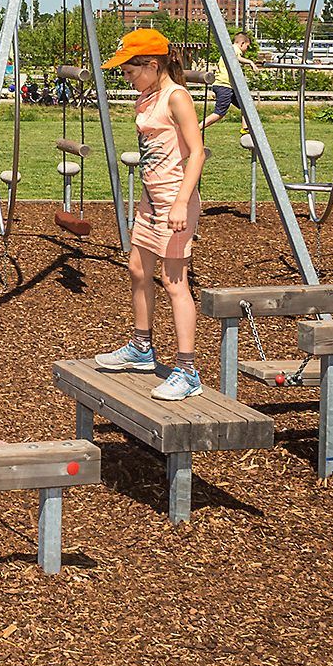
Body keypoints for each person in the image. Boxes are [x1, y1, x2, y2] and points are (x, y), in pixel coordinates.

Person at [94, 29, 206, 401]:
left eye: (129, 70)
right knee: (138, 269)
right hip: (151, 201)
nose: (125, 77)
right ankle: (142, 349)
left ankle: (187, 371)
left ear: (152, 64)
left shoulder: (177, 97)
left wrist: (179, 203)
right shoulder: (148, 95)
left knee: (175, 283)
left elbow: (197, 153)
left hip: (176, 203)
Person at [201, 32, 254, 132]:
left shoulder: (229, 50)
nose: (247, 49)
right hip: (224, 86)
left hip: (227, 86)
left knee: (246, 106)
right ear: (242, 43)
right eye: (247, 46)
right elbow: (236, 58)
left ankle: (245, 129)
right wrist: (250, 62)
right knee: (219, 114)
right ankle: (196, 128)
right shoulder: (234, 49)